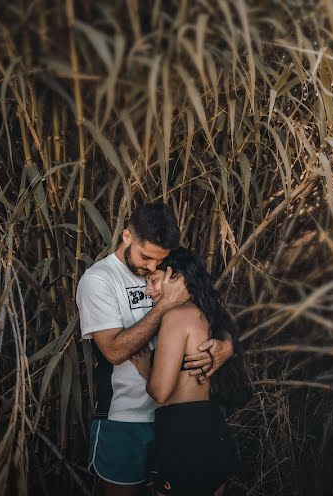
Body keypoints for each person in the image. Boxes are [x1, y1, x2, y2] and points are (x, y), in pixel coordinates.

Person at [76, 202, 235, 495]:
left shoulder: (168, 265)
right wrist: (164, 306)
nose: (151, 267)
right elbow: (112, 350)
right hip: (126, 419)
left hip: (174, 422)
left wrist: (227, 344)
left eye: (158, 262)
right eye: (146, 257)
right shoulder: (99, 280)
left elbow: (206, 306)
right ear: (127, 237)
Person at [130, 247, 252, 496]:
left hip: (184, 438)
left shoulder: (175, 317)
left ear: (178, 278)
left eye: (154, 281)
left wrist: (145, 369)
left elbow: (161, 392)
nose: (148, 290)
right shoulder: (209, 313)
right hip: (213, 431)